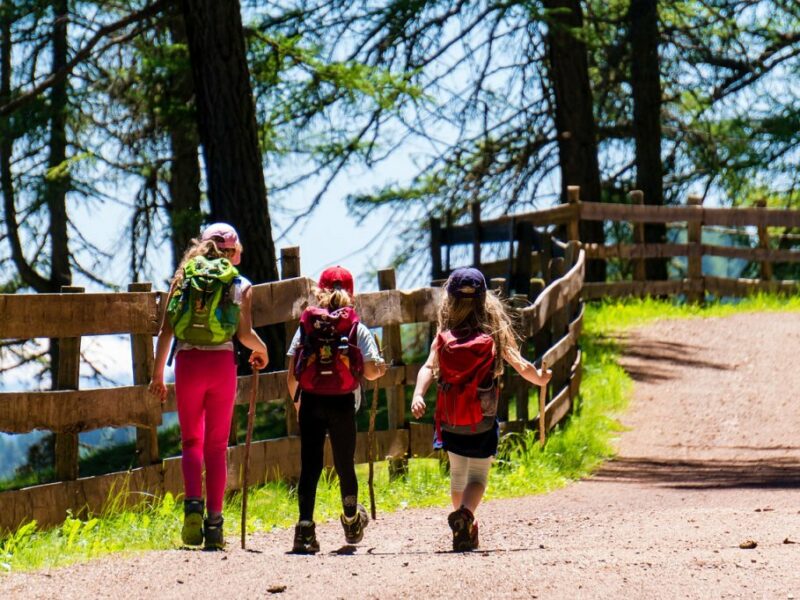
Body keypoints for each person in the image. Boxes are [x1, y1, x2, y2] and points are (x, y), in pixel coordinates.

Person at [410, 267, 551, 551]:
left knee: (458, 475)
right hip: (483, 421)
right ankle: (466, 515)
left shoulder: (444, 334)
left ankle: (463, 525)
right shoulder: (493, 333)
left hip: (451, 421)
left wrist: (418, 394)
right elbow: (520, 364)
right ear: (484, 299)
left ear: (449, 300)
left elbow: (428, 367)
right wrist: (540, 378)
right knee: (478, 478)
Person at [149, 223, 268, 550]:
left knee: (191, 442)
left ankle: (192, 508)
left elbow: (166, 332)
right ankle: (214, 524)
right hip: (221, 366)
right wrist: (263, 350)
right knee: (216, 447)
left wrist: (157, 375)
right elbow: (244, 335)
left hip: (188, 364)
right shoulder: (239, 283)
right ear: (234, 251)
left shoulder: (183, 277)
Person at [287, 266, 387, 554]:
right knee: (345, 465)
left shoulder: (307, 326)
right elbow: (369, 371)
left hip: (311, 401)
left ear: (320, 291)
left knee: (310, 466)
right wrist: (380, 368)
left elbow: (292, 371)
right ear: (351, 294)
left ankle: (305, 530)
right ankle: (352, 520)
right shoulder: (356, 327)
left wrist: (298, 404)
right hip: (343, 402)